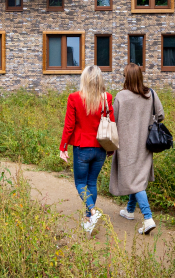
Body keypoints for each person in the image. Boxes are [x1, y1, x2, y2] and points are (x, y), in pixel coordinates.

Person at [110, 63, 165, 235]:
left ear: (127, 77)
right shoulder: (151, 94)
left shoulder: (121, 96)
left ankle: (148, 218)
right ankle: (129, 210)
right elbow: (161, 115)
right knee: (138, 177)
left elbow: (113, 119)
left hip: (126, 145)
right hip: (145, 144)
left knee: (135, 180)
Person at [59, 65, 115, 234]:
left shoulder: (74, 98)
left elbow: (69, 125)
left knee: (80, 183)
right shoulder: (107, 98)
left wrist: (63, 147)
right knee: (91, 183)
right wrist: (111, 148)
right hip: (100, 148)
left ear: (84, 79)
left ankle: (92, 211)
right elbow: (111, 123)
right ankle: (89, 220)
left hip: (82, 147)